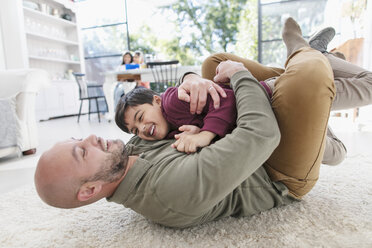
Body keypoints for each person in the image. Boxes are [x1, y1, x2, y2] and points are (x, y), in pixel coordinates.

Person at [34, 18, 370, 228]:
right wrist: (239, 76)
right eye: (81, 151)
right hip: (277, 171)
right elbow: (262, 134)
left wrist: (192, 78)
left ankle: (315, 72)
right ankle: (305, 51)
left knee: (213, 63)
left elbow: (170, 108)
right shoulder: (168, 193)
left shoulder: (126, 154)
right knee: (308, 79)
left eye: (80, 138)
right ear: (89, 190)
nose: (92, 136)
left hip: (238, 131)